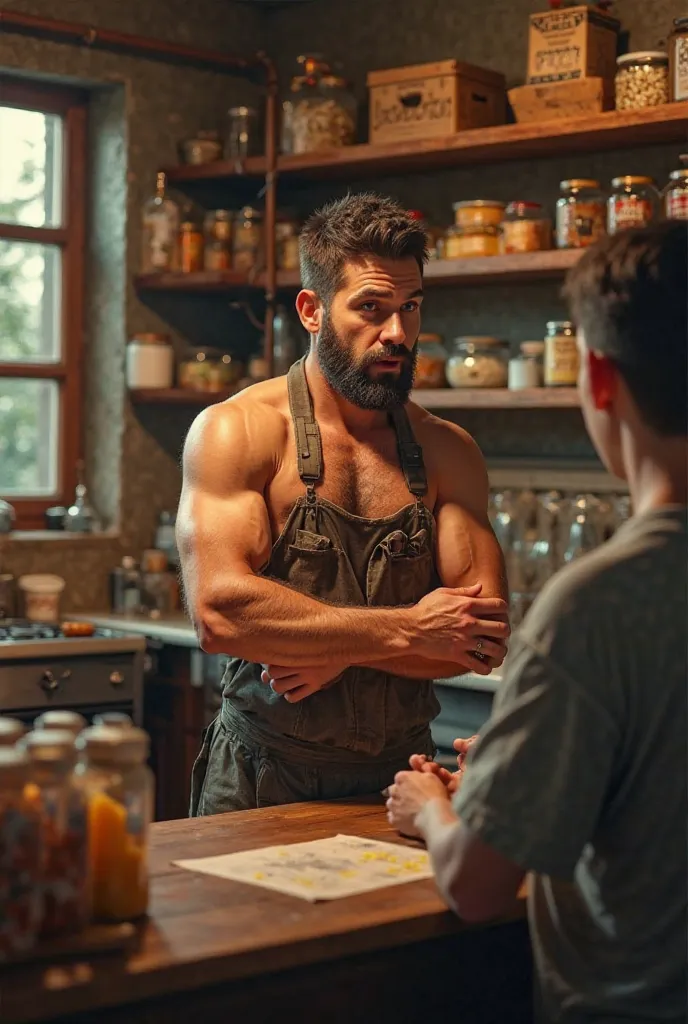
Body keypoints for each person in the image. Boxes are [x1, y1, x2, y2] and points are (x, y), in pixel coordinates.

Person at [387, 221, 688, 1024]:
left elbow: (479, 886)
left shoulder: (596, 603)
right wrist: (535, 769)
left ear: (596, 377)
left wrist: (433, 809)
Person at [177, 192, 510, 814]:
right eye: (371, 308)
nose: (397, 333)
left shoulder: (448, 450)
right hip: (259, 776)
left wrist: (331, 648)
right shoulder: (238, 432)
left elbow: (480, 639)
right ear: (312, 310)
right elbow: (220, 613)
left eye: (410, 308)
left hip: (401, 778)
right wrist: (409, 629)